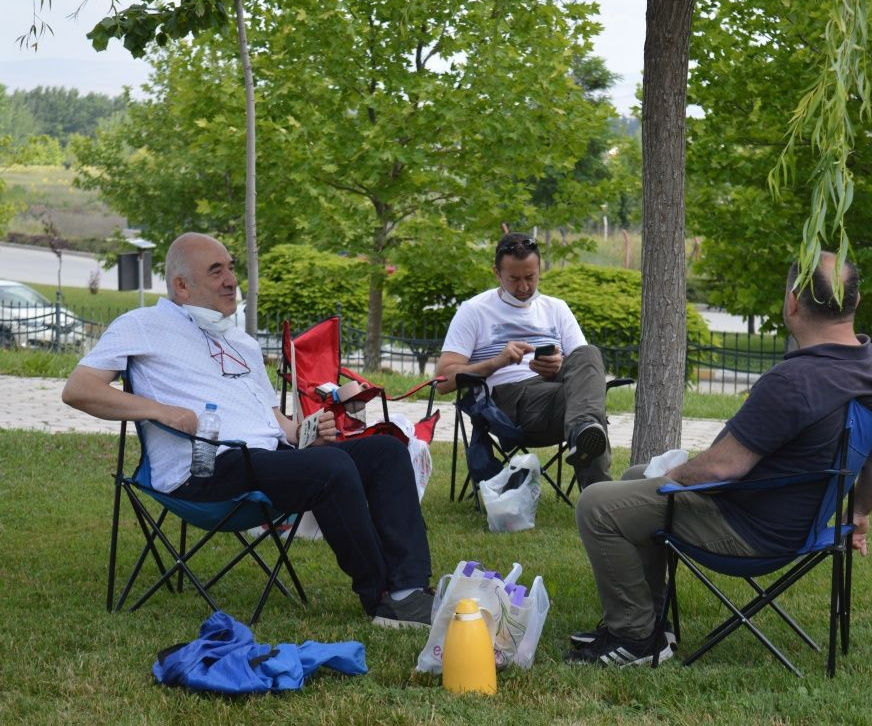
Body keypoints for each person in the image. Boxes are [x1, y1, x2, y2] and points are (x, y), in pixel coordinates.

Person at [62, 232, 434, 628]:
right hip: (204, 469)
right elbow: (79, 390)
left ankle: (408, 590)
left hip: (269, 461)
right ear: (181, 285)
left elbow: (280, 426)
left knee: (386, 451)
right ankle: (380, 600)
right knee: (331, 469)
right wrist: (161, 411)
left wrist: (310, 432)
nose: (230, 280)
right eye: (216, 271)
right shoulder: (142, 324)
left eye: (232, 268)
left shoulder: (242, 342)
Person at [567, 251, 872, 667]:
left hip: (750, 530)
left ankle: (635, 638)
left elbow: (722, 467)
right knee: (636, 476)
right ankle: (652, 621)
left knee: (598, 504)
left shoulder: (794, 381)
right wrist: (858, 512)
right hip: (801, 524)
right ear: (856, 301)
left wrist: (675, 473)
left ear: (792, 303)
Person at [435, 232, 612, 487]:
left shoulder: (556, 308)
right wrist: (497, 362)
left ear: (539, 269)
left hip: (557, 400)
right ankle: (598, 488)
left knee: (588, 355)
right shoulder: (474, 310)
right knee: (589, 412)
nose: (523, 287)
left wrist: (559, 367)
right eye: (514, 279)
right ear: (497, 273)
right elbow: (442, 381)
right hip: (508, 405)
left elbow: (584, 367)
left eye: (530, 277)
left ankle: (591, 471)